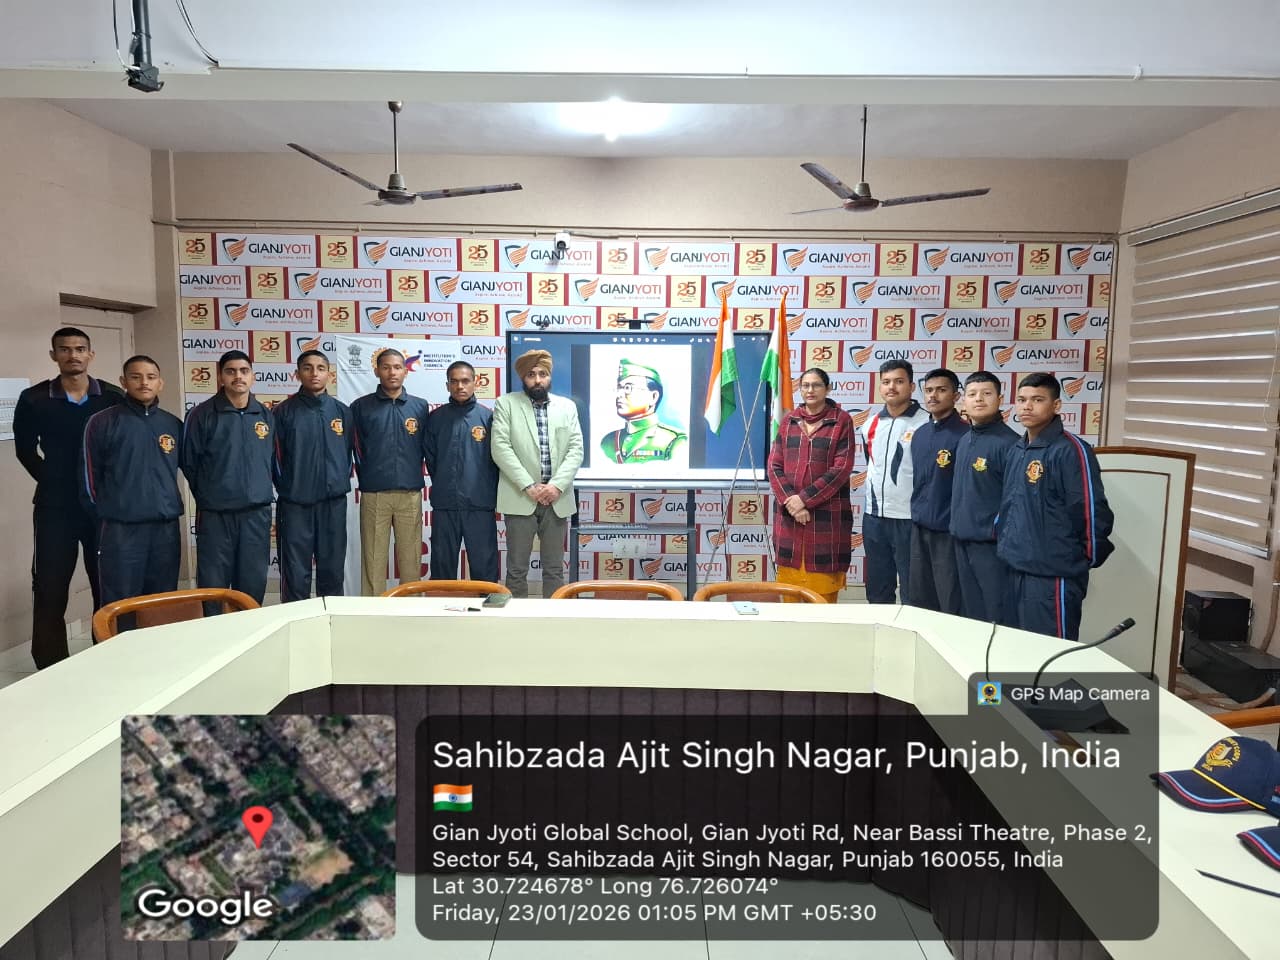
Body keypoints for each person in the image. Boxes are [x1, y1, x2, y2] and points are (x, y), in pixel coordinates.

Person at [14, 327, 124, 668]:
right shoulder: (34, 399)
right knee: (50, 586)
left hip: (101, 508)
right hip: (55, 508)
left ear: (90, 354)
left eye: (79, 349)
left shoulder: (112, 397)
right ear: (54, 355)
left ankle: (107, 656)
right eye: (65, 349)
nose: (73, 355)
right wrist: (54, 481)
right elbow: (25, 451)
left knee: (105, 583)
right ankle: (51, 665)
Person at [998, 373, 1115, 641]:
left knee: (1052, 652)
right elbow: (1008, 505)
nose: (1027, 406)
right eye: (1022, 400)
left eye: (1037, 400)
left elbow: (1090, 510)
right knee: (1018, 650)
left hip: (1053, 576)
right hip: (1015, 567)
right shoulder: (1017, 449)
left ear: (1056, 405)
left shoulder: (1070, 449)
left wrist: (1079, 560)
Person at [79, 356, 184, 608]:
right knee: (121, 603)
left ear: (160, 383)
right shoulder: (101, 422)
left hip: (165, 528)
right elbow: (88, 478)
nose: (144, 382)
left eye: (151, 377)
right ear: (123, 382)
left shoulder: (173, 424)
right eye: (136, 377)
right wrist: (109, 514)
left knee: (162, 603)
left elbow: (194, 469)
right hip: (121, 531)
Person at [180, 350, 275, 610]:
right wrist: (212, 495)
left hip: (255, 514)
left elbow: (270, 460)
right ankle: (215, 632)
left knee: (252, 585)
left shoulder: (265, 415)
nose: (238, 377)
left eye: (244, 371)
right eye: (231, 371)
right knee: (213, 585)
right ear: (220, 376)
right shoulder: (201, 414)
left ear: (252, 376)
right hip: (216, 515)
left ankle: (251, 632)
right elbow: (189, 462)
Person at [491, 349, 584, 597]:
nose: (537, 380)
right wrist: (529, 486)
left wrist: (556, 486)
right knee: (516, 569)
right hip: (521, 495)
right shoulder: (506, 404)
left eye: (543, 374)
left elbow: (576, 450)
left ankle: (554, 617)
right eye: (531, 375)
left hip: (557, 498)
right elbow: (500, 448)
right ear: (523, 378)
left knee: (554, 569)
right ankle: (517, 617)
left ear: (550, 376)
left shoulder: (567, 407)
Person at [766, 368, 855, 603]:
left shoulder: (841, 421)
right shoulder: (789, 421)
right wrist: (792, 503)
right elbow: (774, 466)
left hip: (826, 520)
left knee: (822, 601)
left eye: (816, 385)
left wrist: (803, 500)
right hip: (790, 520)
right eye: (805, 385)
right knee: (789, 597)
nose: (810, 390)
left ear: (828, 389)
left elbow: (841, 469)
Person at [272, 350, 353, 602]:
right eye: (307, 368)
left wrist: (336, 483)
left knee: (332, 570)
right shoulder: (283, 412)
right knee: (296, 573)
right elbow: (275, 459)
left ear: (329, 374)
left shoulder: (342, 412)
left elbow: (349, 454)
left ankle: (331, 618)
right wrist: (291, 488)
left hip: (333, 504)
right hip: (296, 505)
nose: (314, 373)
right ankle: (295, 620)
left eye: (320, 368)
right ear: (297, 374)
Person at [350, 348, 429, 595]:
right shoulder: (360, 407)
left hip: (410, 494)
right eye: (386, 367)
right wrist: (368, 478)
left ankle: (411, 608)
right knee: (373, 560)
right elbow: (355, 448)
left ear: (406, 371)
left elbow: (426, 447)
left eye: (397, 367)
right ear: (377, 371)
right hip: (375, 495)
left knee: (411, 560)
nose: (391, 372)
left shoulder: (419, 406)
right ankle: (373, 609)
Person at [950, 371, 1019, 624]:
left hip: (992, 548)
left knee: (997, 616)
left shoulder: (1010, 444)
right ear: (963, 401)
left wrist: (996, 534)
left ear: (1000, 399)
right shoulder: (964, 439)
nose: (979, 399)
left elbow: (1014, 503)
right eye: (972, 394)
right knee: (970, 617)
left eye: (986, 393)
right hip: (961, 541)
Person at [858, 359, 929, 604]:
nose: (892, 387)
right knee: (878, 589)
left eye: (899, 381)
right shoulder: (869, 424)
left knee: (914, 590)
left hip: (910, 519)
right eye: (886, 382)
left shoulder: (926, 423)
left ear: (911, 386)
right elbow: (872, 465)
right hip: (874, 518)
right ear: (879, 387)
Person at [423, 361, 499, 582]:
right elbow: (431, 460)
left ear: (475, 383)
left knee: (484, 570)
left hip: (479, 505)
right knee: (442, 569)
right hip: (445, 505)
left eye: (465, 381)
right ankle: (443, 606)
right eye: (454, 381)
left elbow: (496, 461)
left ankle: (487, 606)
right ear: (447, 385)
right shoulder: (435, 418)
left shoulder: (488, 418)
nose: (460, 386)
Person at [908, 368, 968, 614]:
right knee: (920, 599)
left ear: (956, 396)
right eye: (929, 390)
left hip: (948, 532)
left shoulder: (965, 435)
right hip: (919, 527)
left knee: (949, 599)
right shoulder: (920, 434)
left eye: (941, 390)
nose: (933, 396)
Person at [599, 359, 687, 463]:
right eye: (619, 388)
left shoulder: (674, 441)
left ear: (653, 397)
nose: (619, 395)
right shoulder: (607, 442)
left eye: (628, 388)